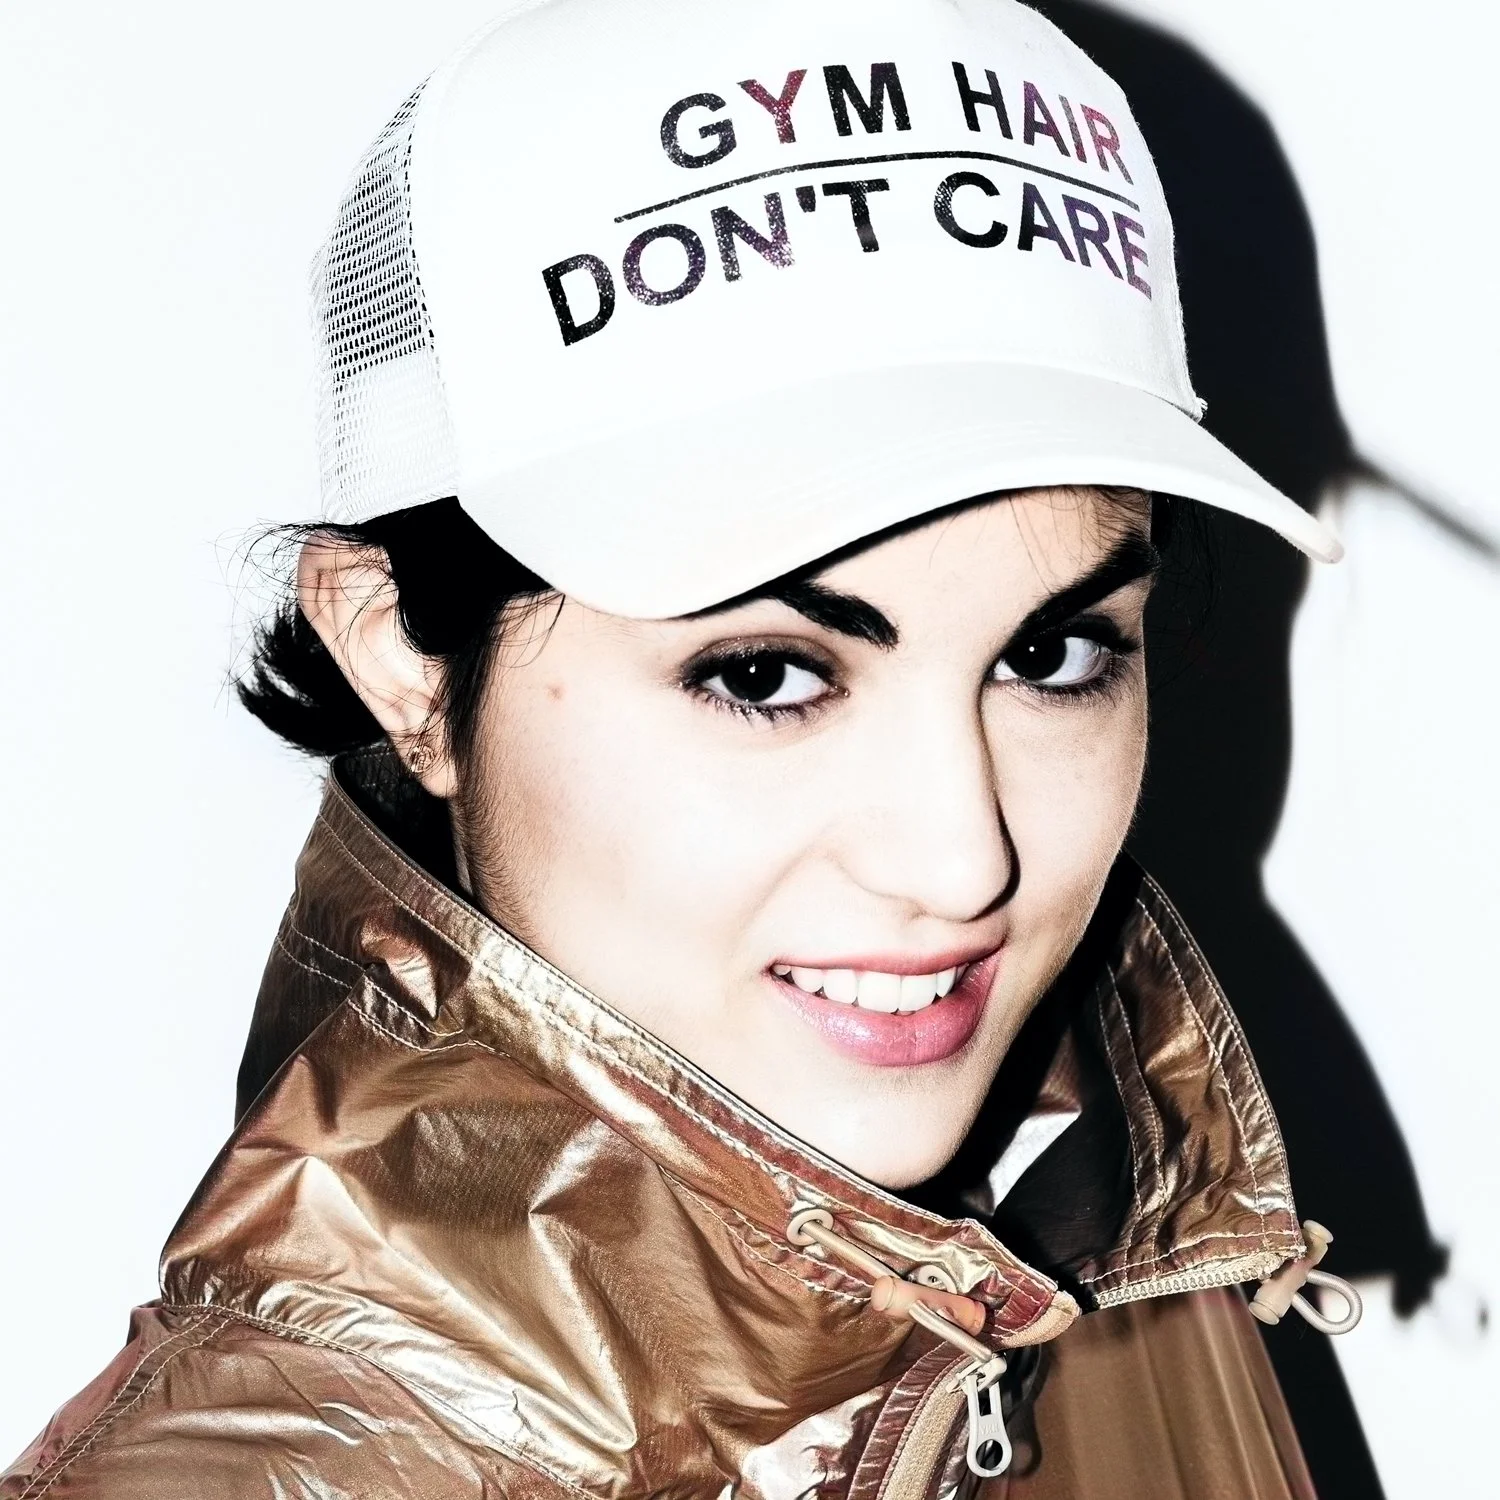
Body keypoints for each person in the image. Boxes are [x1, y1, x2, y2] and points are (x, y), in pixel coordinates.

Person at [1, 1, 1363, 1495]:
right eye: (768, 673)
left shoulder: (1102, 1197)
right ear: (398, 649)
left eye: (1049, 656)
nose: (960, 859)